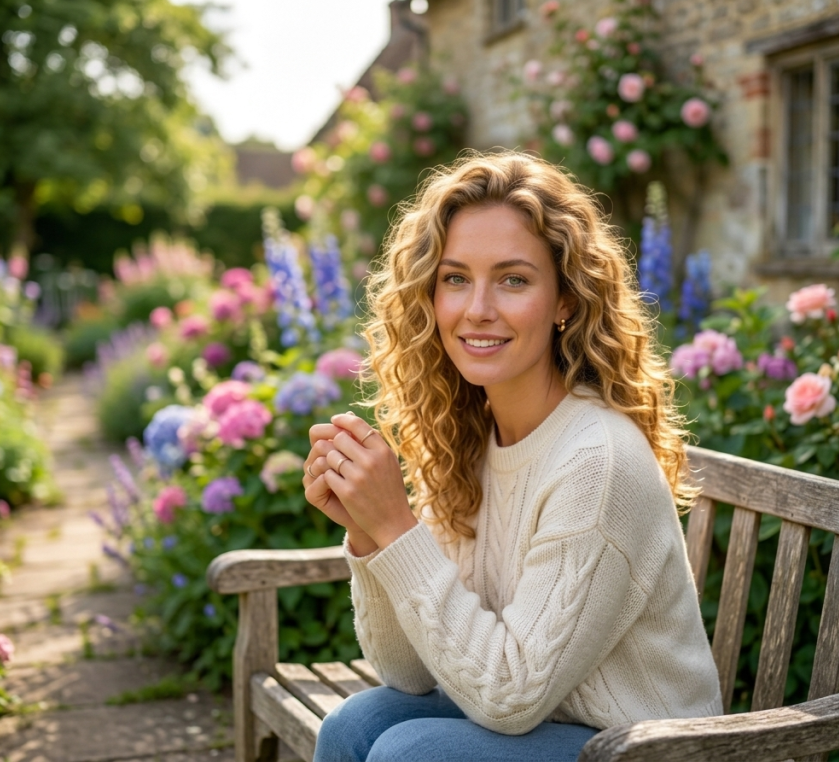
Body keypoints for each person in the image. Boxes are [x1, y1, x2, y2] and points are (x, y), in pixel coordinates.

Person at [302, 151, 721, 762]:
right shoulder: (472, 435)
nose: (477, 308)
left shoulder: (594, 462)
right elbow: (408, 672)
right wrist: (369, 535)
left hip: (646, 749)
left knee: (411, 756)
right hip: (549, 725)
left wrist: (396, 526)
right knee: (355, 726)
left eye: (513, 279)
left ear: (566, 303)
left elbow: (511, 696)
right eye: (455, 278)